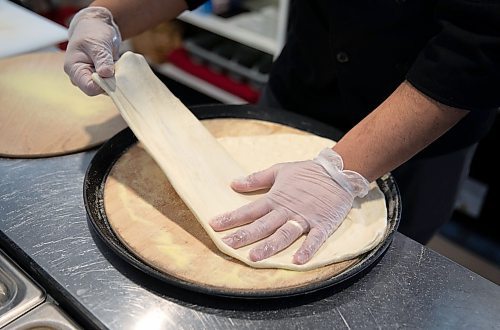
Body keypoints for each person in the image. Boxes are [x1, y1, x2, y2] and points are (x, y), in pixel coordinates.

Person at [64, 0, 500, 265]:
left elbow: (482, 42)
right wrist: (109, 15)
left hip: (422, 131)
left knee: (373, 269)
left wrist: (341, 170)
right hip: (305, 82)